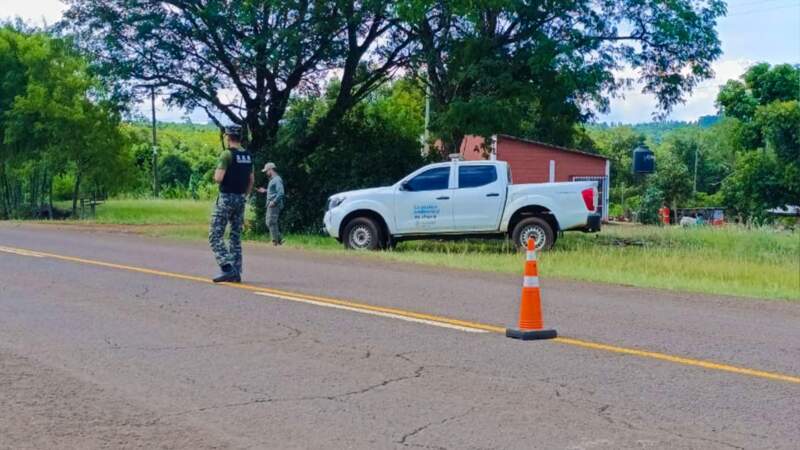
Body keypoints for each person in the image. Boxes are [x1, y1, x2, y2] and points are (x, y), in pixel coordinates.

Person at [209, 125, 254, 283]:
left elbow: (218, 178)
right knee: (235, 236)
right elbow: (251, 180)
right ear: (240, 137)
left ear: (228, 137)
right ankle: (236, 271)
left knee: (215, 235)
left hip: (226, 198)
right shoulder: (248, 156)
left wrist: (217, 173)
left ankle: (227, 268)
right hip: (241, 198)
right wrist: (244, 195)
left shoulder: (227, 154)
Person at [257, 162, 285, 246]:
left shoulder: (277, 179)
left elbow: (281, 192)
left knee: (271, 222)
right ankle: (280, 239)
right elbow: (273, 191)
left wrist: (274, 201)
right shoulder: (273, 180)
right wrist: (265, 191)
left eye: (266, 171)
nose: (266, 173)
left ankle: (275, 241)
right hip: (271, 204)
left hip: (274, 204)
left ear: (270, 170)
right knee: (269, 222)